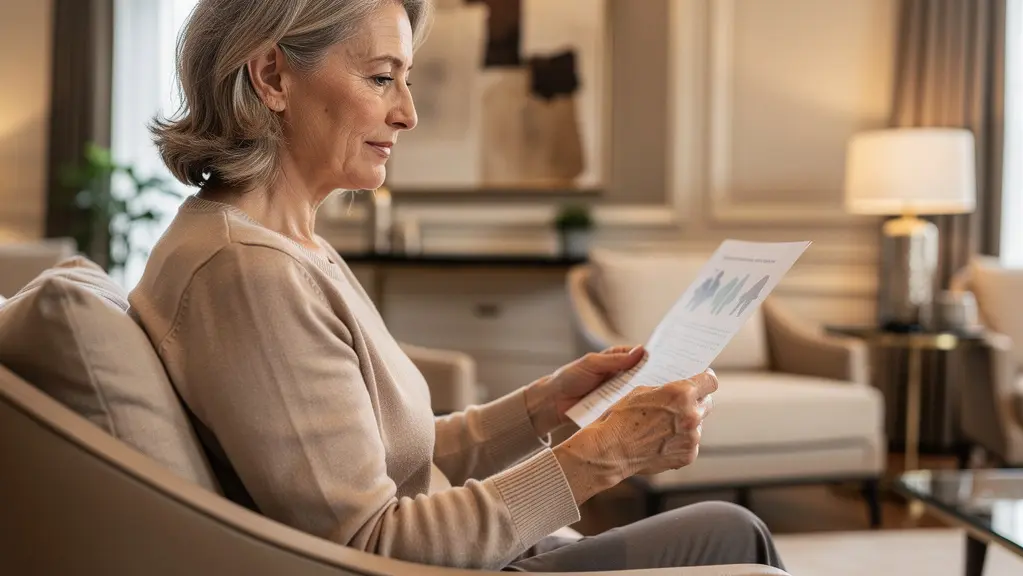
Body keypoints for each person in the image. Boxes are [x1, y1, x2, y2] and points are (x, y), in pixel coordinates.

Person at [128, 0, 785, 572]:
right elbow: (368, 541)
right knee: (736, 535)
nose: (407, 113)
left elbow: (395, 456)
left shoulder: (289, 248)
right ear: (273, 75)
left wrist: (544, 404)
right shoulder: (248, 274)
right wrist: (600, 456)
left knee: (730, 531)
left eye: (405, 80)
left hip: (468, 555)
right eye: (382, 78)